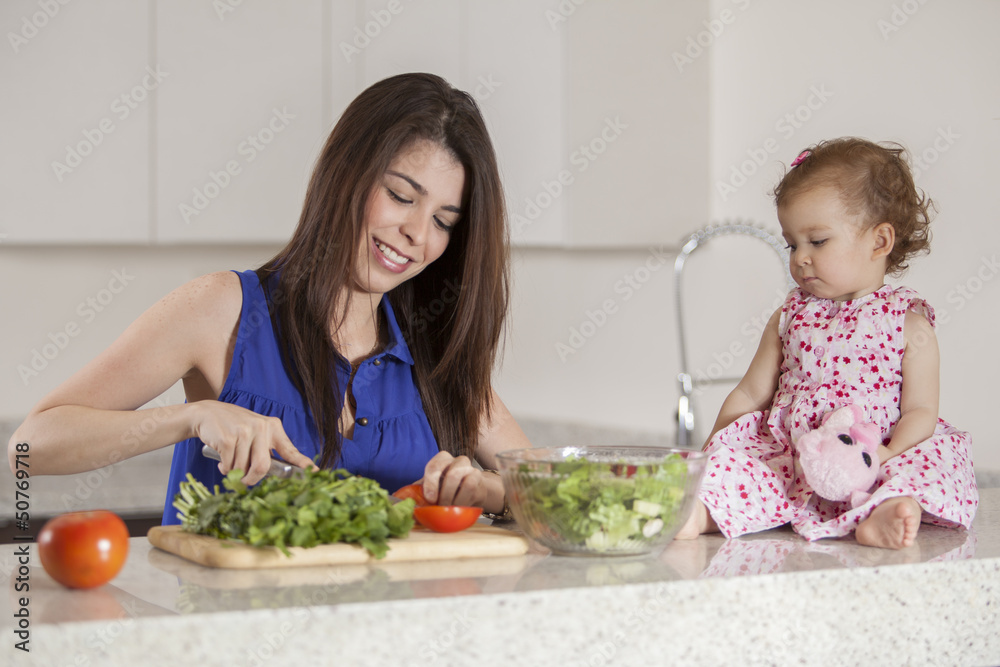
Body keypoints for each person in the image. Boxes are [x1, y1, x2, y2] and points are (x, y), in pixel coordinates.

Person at [8, 72, 531, 525]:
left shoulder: (435, 354)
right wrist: (193, 418)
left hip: (389, 638)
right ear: (345, 173)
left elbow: (553, 492)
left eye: (443, 222)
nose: (417, 232)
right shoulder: (220, 308)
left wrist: (492, 491)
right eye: (400, 196)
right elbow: (30, 447)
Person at [676, 137, 977, 549]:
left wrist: (889, 454)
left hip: (873, 454)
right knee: (747, 471)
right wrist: (714, 446)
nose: (800, 257)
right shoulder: (789, 316)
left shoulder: (909, 324)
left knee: (931, 465)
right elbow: (750, 392)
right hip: (795, 454)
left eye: (817, 242)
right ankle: (702, 511)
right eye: (791, 243)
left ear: (879, 241)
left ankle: (883, 510)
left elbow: (921, 410)